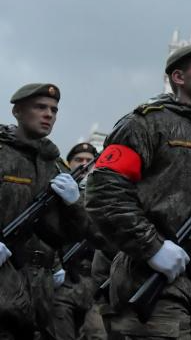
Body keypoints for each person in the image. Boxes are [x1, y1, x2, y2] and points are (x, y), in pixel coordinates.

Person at [86, 41, 191, 339]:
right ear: (178, 77)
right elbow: (105, 193)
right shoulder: (144, 124)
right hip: (153, 279)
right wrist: (152, 248)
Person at [0, 83, 85, 340]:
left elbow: (78, 234)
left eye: (53, 110)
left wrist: (75, 204)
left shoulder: (57, 166)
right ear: (17, 111)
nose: (48, 114)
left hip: (41, 295)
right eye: (40, 107)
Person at [52, 142, 106, 340]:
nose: (83, 164)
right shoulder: (56, 192)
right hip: (66, 280)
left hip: (96, 283)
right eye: (78, 160)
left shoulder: (105, 194)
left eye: (88, 160)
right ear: (69, 163)